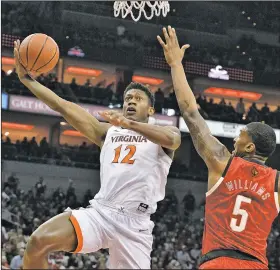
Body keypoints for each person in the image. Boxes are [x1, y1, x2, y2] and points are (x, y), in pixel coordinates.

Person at [13, 40, 181, 269]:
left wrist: (131, 125)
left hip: (134, 225)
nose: (131, 101)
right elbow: (63, 106)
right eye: (127, 99)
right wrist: (27, 81)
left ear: (150, 110)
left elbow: (173, 140)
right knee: (38, 242)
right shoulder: (108, 132)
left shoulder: (163, 133)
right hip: (101, 212)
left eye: (137, 99)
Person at [158, 26, 279, 269]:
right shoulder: (277, 183)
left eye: (240, 136)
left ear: (250, 146)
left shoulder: (223, 162)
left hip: (218, 262)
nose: (235, 139)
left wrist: (175, 66)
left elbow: (191, 113)